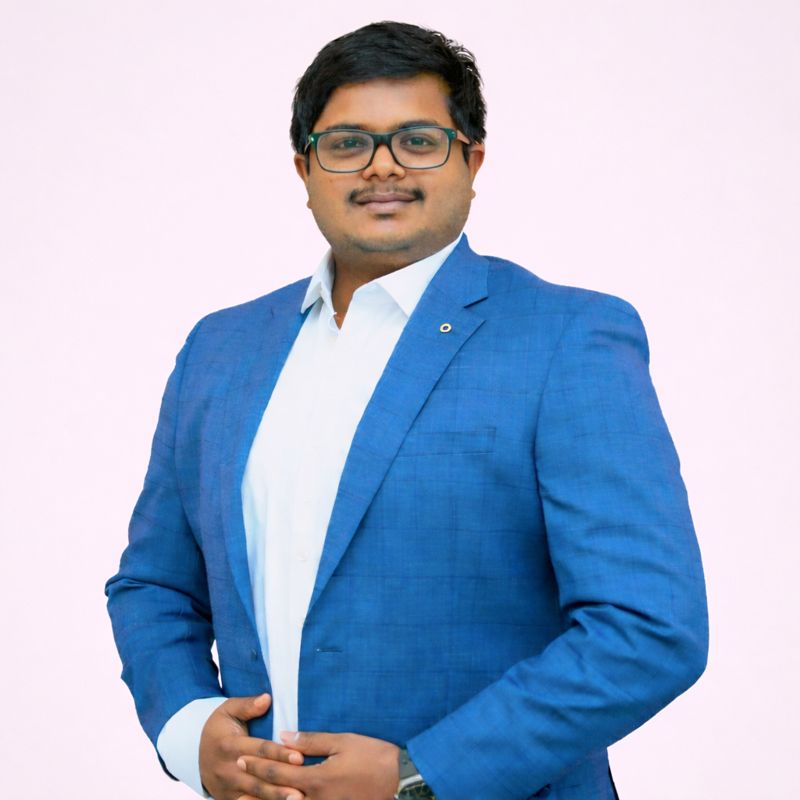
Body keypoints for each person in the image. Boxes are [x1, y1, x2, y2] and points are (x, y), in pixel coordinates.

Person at [106, 20, 708, 800]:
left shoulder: (567, 339)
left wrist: (419, 775)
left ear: (472, 160)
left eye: (419, 141)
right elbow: (155, 585)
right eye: (347, 143)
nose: (382, 166)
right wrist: (189, 732)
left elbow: (648, 629)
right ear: (305, 168)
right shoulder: (220, 350)